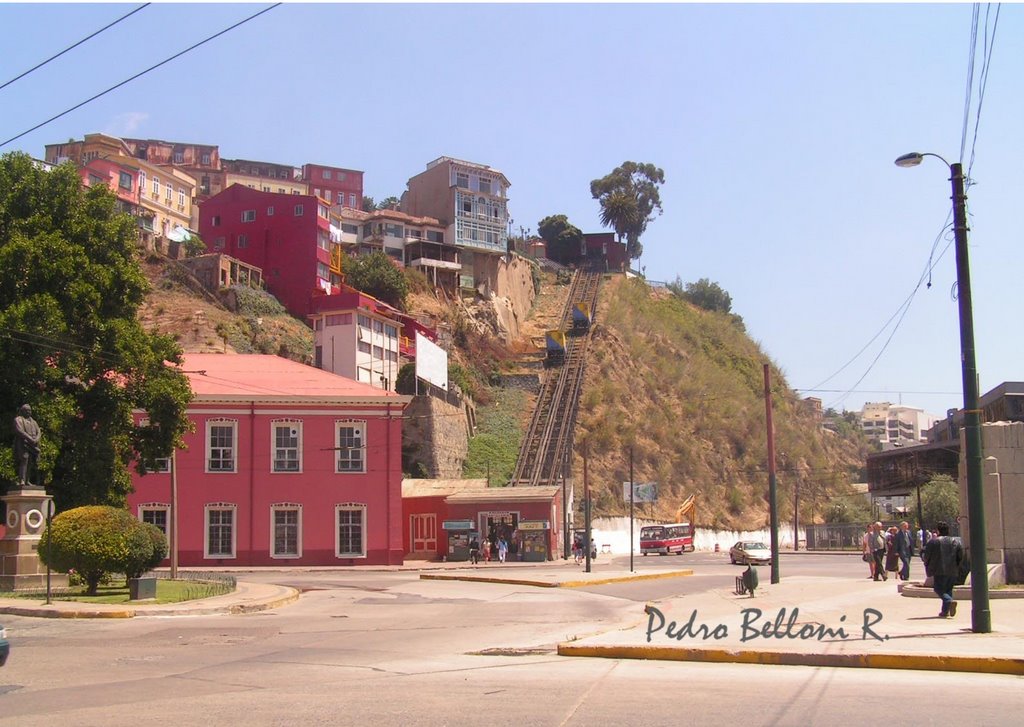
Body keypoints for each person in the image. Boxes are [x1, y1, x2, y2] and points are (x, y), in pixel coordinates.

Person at [922, 520, 964, 618]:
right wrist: (956, 566)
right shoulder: (955, 542)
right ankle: (945, 611)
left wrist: (927, 564)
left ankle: (949, 601)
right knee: (948, 590)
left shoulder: (934, 542)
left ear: (938, 531)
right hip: (952, 570)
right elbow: (960, 556)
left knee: (938, 588)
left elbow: (927, 556)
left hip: (939, 569)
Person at [14, 404, 42, 487]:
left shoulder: (33, 422)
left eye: (29, 410)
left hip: (33, 445)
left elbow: (39, 431)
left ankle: (27, 480)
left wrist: (36, 439)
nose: (29, 412)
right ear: (22, 411)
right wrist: (30, 438)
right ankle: (22, 480)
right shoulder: (18, 420)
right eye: (26, 410)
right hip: (23, 443)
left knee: (30, 462)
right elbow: (20, 431)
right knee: (24, 459)